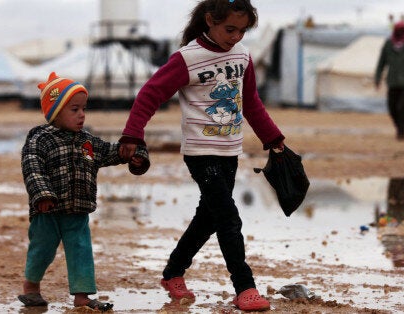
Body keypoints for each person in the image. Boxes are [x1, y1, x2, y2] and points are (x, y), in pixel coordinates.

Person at [117, 0, 283, 311]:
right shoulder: (187, 59)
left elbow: (251, 103)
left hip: (230, 150)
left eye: (242, 31)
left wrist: (274, 139)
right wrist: (133, 134)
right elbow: (150, 93)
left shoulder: (243, 56)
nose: (235, 36)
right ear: (210, 20)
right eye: (229, 29)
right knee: (228, 217)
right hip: (200, 152)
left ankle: (173, 273)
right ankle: (245, 287)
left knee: (209, 217)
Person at [18, 72, 149, 311]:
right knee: (42, 249)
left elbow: (111, 152)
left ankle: (83, 296)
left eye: (83, 109)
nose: (82, 115)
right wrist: (42, 194)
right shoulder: (40, 140)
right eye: (74, 109)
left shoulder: (87, 142)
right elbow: (32, 167)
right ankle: (31, 287)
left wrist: (134, 154)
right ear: (55, 112)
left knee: (81, 250)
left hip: (78, 209)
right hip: (47, 209)